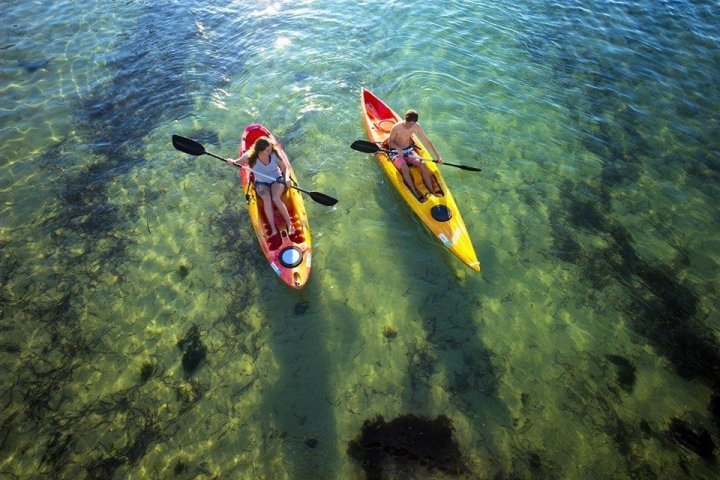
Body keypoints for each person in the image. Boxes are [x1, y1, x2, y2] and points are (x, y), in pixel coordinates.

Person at [227, 136, 295, 237]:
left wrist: (287, 179)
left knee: (276, 198)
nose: (270, 151)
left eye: (270, 148)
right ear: (260, 150)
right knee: (266, 199)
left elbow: (285, 169)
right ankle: (273, 230)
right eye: (267, 150)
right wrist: (231, 162)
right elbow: (237, 163)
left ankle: (290, 225)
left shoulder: (274, 154)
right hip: (261, 183)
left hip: (276, 180)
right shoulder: (249, 157)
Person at [387, 109, 444, 201]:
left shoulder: (417, 127)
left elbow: (426, 141)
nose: (409, 126)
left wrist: (438, 156)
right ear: (404, 119)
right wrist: (398, 149)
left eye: (412, 124)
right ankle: (415, 194)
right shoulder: (396, 127)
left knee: (423, 163)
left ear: (415, 123)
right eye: (407, 123)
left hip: (408, 150)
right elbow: (390, 142)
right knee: (404, 168)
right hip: (395, 151)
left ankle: (432, 191)